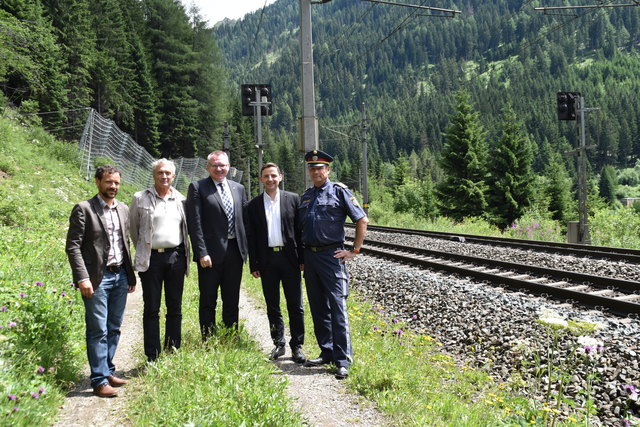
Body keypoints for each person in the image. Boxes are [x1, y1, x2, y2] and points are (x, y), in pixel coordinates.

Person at [65, 165, 136, 397]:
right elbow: (73, 247)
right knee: (98, 330)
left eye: (116, 182)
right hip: (97, 278)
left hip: (120, 275)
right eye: (108, 182)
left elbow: (125, 244)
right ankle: (98, 380)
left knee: (114, 327)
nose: (113, 186)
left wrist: (130, 274)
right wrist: (82, 277)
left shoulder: (123, 209)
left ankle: (108, 371)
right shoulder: (84, 209)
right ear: (98, 182)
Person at [299, 150, 368, 380]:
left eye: (320, 168)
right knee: (318, 307)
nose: (316, 172)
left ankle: (343, 359)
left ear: (327, 170)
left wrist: (354, 250)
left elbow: (361, 220)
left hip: (332, 257)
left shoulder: (340, 191)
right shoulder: (307, 196)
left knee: (337, 307)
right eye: (312, 168)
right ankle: (326, 351)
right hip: (310, 257)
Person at [130, 159, 190, 362]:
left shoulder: (181, 199)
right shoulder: (140, 198)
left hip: (175, 257)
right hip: (151, 258)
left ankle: (173, 351)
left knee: (175, 306)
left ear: (174, 176)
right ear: (154, 174)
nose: (164, 177)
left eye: (168, 173)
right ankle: (152, 355)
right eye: (160, 173)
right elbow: (134, 229)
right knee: (151, 308)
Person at [246, 163, 306, 363]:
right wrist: (254, 264)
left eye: (273, 175)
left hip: (290, 259)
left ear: (280, 177)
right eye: (266, 176)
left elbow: (300, 232)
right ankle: (278, 343)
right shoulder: (253, 205)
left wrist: (303, 259)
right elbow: (251, 236)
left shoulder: (293, 199)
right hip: (267, 260)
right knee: (272, 304)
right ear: (261, 179)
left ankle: (297, 345)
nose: (270, 179)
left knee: (295, 304)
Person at [186, 150, 248, 338]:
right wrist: (201, 252)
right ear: (208, 167)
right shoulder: (198, 187)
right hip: (210, 255)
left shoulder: (238, 188)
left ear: (229, 167)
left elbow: (244, 220)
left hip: (234, 252)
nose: (219, 169)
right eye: (215, 165)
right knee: (208, 299)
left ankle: (230, 335)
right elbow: (194, 223)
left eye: (222, 165)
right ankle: (208, 337)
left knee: (231, 298)